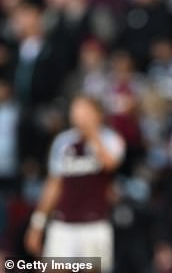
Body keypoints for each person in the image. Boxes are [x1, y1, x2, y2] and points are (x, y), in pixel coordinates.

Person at [24, 95, 125, 273]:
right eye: (76, 109)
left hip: (94, 225)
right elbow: (54, 185)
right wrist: (37, 224)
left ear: (97, 113)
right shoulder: (63, 142)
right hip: (64, 223)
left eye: (85, 110)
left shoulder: (111, 139)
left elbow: (110, 165)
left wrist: (92, 135)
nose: (79, 115)